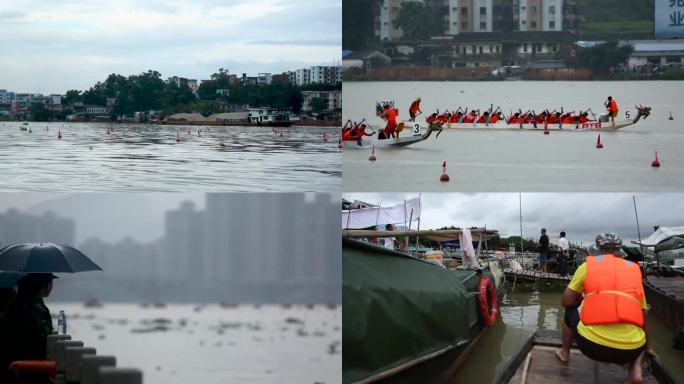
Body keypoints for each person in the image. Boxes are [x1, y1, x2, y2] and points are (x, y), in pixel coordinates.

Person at [554, 233, 652, 384]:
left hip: (591, 346)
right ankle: (635, 369)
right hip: (630, 351)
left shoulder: (587, 266)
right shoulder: (634, 270)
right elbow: (643, 315)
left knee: (570, 311)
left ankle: (564, 353)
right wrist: (648, 347)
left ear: (597, 249)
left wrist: (583, 297)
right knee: (639, 326)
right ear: (620, 251)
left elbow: (566, 302)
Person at [0, 273, 57, 383]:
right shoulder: (34, 307)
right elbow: (42, 337)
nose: (51, 287)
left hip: (9, 364)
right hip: (26, 367)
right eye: (51, 283)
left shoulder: (15, 302)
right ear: (44, 286)